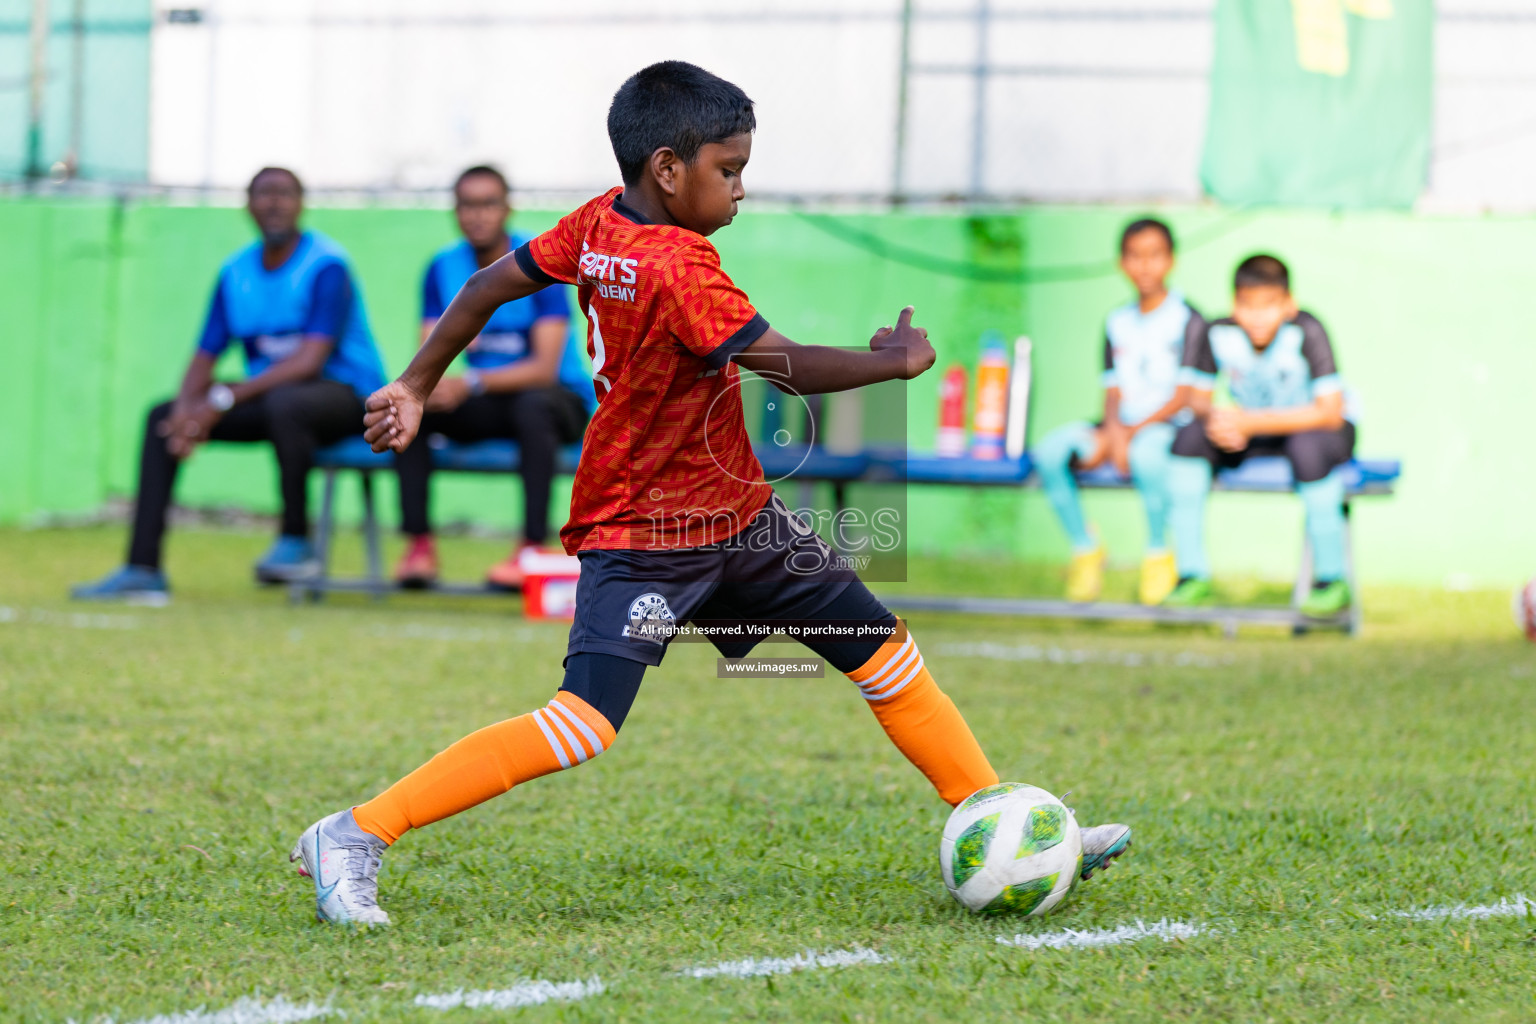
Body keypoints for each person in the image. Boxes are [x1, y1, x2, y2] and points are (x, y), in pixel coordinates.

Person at [289, 62, 1131, 925]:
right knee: (583, 724)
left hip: (738, 518)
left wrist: (416, 383)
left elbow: (487, 285)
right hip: (647, 530)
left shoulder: (599, 221)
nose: (739, 190)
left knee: (885, 656)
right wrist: (895, 364)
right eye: (728, 171)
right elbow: (781, 364)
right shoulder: (681, 268)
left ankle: (1002, 823)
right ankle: (355, 833)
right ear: (667, 168)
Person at [71, 168, 387, 603]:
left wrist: (221, 398)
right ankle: (142, 568)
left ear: (301, 205)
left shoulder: (327, 266)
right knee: (162, 417)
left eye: (284, 194)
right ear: (247, 206)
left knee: (287, 402)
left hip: (346, 398)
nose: (274, 203)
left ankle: (295, 540)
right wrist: (187, 411)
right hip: (272, 398)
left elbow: (309, 361)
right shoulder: (235, 273)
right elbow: (205, 355)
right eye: (264, 194)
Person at [393, 166, 595, 589]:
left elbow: (543, 369)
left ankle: (530, 549)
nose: (477, 215)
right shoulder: (442, 268)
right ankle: (419, 547)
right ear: (455, 211)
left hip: (556, 401)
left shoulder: (541, 262)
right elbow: (432, 353)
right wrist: (435, 387)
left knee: (533, 406)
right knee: (412, 406)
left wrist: (471, 382)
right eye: (468, 204)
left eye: (488, 204)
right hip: (494, 399)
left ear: (506, 209)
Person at [1163, 255, 1358, 617]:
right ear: (1233, 304)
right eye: (1247, 306)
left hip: (1318, 431)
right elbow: (1198, 400)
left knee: (1308, 450)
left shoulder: (1308, 330)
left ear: (1288, 304)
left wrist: (1251, 422)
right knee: (1189, 438)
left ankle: (1332, 579)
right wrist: (1223, 421)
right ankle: (1191, 573)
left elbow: (1329, 411)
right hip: (1254, 429)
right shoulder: (1217, 331)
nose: (1256, 317)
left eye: (1268, 306)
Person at [1031, 218, 1204, 606]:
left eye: (1154, 256)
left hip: (1166, 428)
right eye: (1135, 256)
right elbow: (1111, 390)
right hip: (1120, 427)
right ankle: (1086, 548)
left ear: (1171, 260)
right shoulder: (1116, 321)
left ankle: (1159, 553)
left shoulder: (1189, 319)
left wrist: (1130, 434)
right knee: (1051, 453)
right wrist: (1113, 433)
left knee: (1147, 455)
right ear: (1121, 263)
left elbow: (1185, 396)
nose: (1145, 266)